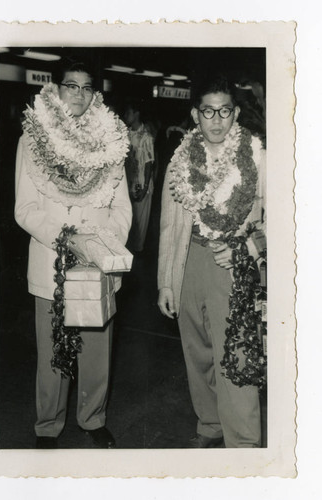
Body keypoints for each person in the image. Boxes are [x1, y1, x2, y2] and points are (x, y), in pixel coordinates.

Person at [14, 60, 132, 449]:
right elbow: (25, 210)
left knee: (97, 352)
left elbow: (122, 209)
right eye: (71, 86)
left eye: (86, 87)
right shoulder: (32, 140)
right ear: (56, 90)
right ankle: (48, 425)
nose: (78, 94)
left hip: (97, 265)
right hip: (52, 263)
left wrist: (99, 243)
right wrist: (68, 240)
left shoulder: (113, 140)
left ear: (95, 94)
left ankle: (93, 418)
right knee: (52, 353)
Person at [157, 74, 266, 448]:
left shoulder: (256, 155)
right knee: (197, 351)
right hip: (190, 260)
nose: (216, 120)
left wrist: (245, 249)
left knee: (235, 353)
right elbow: (169, 226)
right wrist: (166, 282)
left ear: (235, 114)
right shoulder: (179, 161)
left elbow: (283, 217)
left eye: (224, 111)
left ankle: (244, 443)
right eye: (208, 111)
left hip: (232, 264)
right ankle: (209, 425)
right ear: (195, 114)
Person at [124, 100, 155, 253]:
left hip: (142, 184)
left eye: (129, 112)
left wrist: (144, 188)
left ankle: (138, 259)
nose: (126, 116)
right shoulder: (126, 134)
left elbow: (149, 163)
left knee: (140, 225)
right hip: (128, 184)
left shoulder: (146, 137)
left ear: (136, 114)